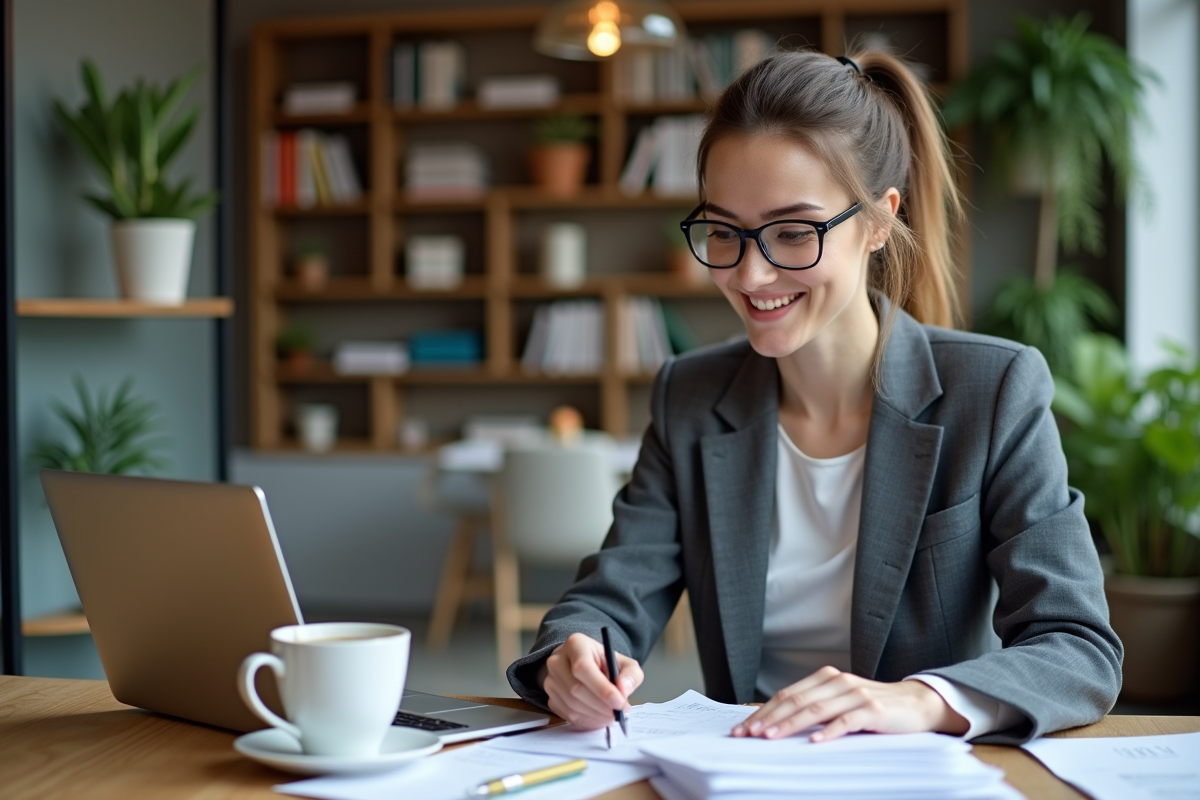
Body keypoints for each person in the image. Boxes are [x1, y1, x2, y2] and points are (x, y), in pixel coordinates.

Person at [505, 49, 1121, 745]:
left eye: (794, 232)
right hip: (745, 770)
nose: (751, 272)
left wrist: (914, 701)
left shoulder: (995, 391)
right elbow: (612, 595)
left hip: (914, 775)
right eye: (724, 232)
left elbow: (1078, 648)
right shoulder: (691, 396)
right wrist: (575, 654)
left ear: (880, 221)